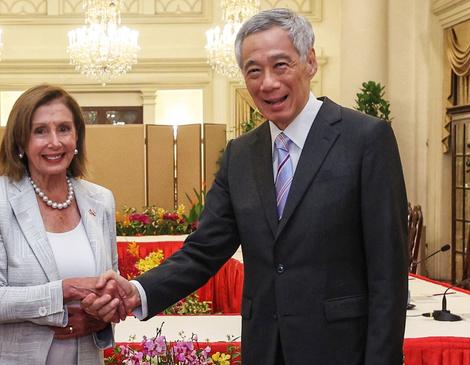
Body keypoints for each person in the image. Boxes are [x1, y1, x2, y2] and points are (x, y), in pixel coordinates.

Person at [84, 8, 408, 365]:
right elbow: (204, 250)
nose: (267, 83)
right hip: (264, 348)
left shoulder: (365, 139)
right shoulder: (241, 154)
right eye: (254, 70)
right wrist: (137, 292)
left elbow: (388, 275)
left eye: (281, 65)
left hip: (341, 350)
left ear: (310, 62)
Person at [0, 84, 123, 365]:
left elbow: (109, 287)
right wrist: (67, 289)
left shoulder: (100, 200)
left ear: (77, 137)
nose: (55, 142)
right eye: (40, 131)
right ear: (19, 142)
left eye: (64, 128)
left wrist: (103, 317)